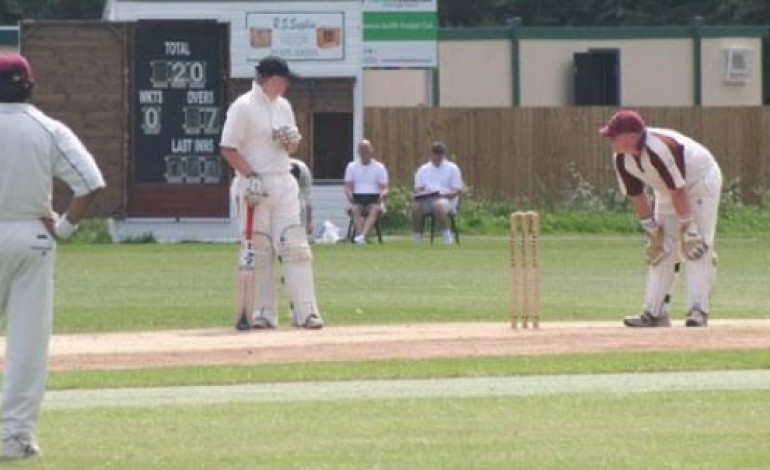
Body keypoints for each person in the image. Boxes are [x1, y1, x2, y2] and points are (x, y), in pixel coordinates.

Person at [0, 53, 105, 459]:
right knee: (27, 341)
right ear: (30, 85)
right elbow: (91, 183)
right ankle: (13, 437)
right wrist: (63, 228)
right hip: (31, 235)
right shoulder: (47, 128)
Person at [220, 55, 324, 330]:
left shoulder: (284, 106)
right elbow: (228, 148)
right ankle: (264, 312)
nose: (287, 84)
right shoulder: (243, 107)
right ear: (270, 78)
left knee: (296, 247)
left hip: (284, 181)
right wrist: (250, 176)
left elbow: (291, 150)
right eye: (284, 79)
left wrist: (291, 143)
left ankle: (306, 312)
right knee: (261, 249)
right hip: (255, 186)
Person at [599, 109, 722, 328]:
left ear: (631, 135)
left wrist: (688, 227)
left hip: (699, 181)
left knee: (696, 245)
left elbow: (679, 190)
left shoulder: (659, 148)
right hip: (669, 189)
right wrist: (652, 231)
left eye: (614, 135)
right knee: (662, 247)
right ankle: (655, 313)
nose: (610, 140)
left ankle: (698, 310)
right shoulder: (621, 158)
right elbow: (636, 195)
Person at [411, 141, 463, 244]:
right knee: (415, 207)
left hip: (447, 200)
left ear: (443, 155)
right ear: (431, 154)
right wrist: (424, 193)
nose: (437, 157)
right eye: (435, 154)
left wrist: (443, 194)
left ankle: (446, 235)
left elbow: (457, 190)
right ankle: (417, 236)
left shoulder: (452, 168)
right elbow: (417, 188)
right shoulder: (423, 169)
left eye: (440, 154)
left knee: (438, 205)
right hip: (427, 199)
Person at [343, 139, 389, 244]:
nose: (364, 153)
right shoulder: (351, 167)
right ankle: (361, 236)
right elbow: (348, 187)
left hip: (374, 201)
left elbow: (385, 188)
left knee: (375, 209)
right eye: (362, 151)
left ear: (371, 151)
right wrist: (350, 195)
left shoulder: (379, 167)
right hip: (357, 200)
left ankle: (362, 236)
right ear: (358, 152)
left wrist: (382, 195)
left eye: (366, 150)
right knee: (355, 209)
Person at [289, 158, 314, 242]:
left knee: (301, 206)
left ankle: (300, 236)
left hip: (301, 182)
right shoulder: (280, 170)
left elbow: (308, 199)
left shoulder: (305, 174)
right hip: (282, 181)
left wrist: (309, 222)